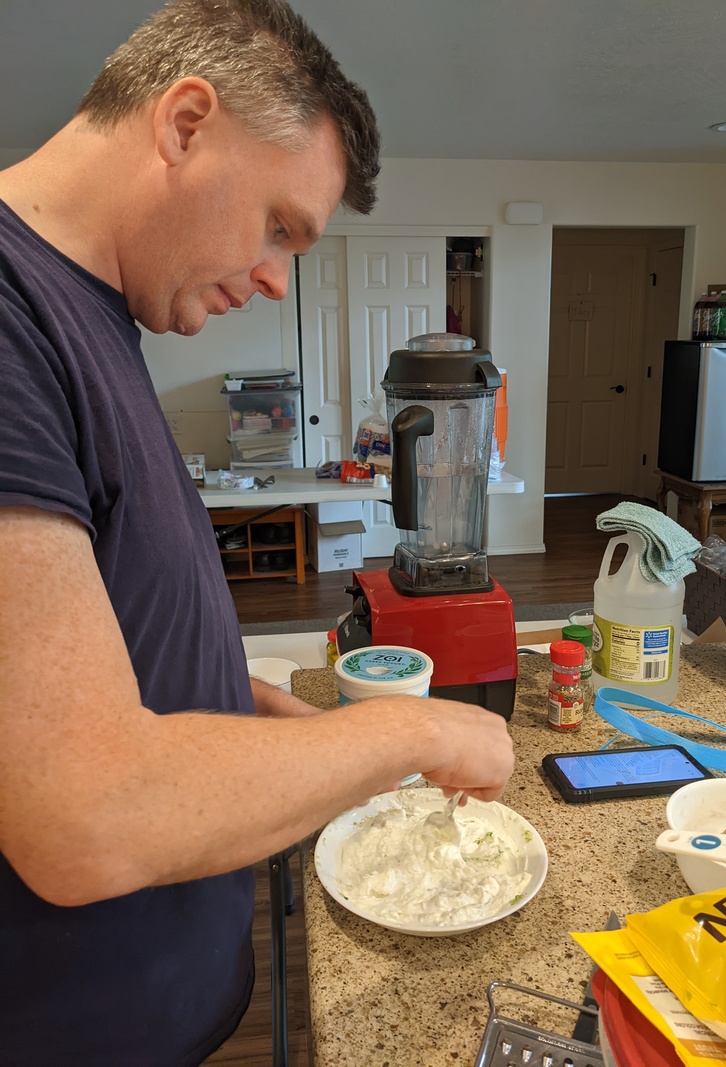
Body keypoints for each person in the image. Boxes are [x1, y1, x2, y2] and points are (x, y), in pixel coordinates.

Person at [0, 0, 515, 1062]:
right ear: (185, 122)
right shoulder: (13, 316)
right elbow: (85, 815)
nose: (281, 273)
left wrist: (282, 721)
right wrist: (407, 731)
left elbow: (126, 650)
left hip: (175, 1006)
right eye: (280, 224)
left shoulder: (100, 312)